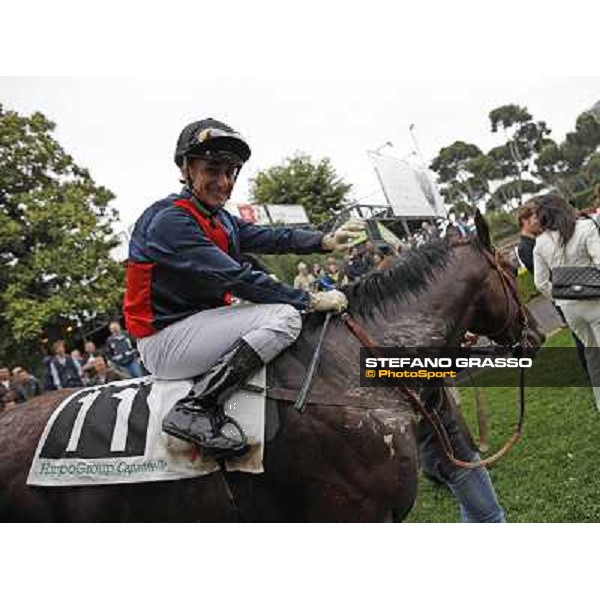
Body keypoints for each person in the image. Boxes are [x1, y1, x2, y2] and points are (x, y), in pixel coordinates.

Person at [123, 118, 362, 458]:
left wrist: (323, 240)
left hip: (195, 326)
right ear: (186, 169)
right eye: (213, 170)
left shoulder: (217, 217)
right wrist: (307, 299)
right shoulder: (169, 220)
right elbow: (238, 278)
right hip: (163, 340)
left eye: (231, 172)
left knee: (281, 313)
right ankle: (195, 408)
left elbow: (271, 237)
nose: (223, 182)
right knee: (285, 317)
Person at [533, 194, 600, 410]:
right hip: (595, 301)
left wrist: (562, 297)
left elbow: (540, 283)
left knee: (591, 353)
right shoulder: (584, 228)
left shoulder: (540, 243)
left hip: (570, 309)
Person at [516, 202, 541, 273]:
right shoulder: (524, 248)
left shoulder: (537, 239)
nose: (538, 221)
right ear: (524, 221)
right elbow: (543, 274)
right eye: (535, 218)